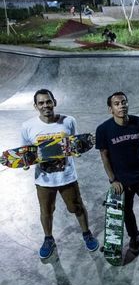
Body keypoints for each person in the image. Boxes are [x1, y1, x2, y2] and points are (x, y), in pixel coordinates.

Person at [20, 89, 98, 259]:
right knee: (46, 211)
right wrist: (25, 162)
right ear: (35, 106)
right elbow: (26, 153)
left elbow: (75, 144)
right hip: (44, 179)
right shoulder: (27, 126)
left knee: (76, 207)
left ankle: (86, 233)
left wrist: (77, 150)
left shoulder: (69, 121)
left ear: (54, 102)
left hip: (67, 176)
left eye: (48, 101)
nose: (45, 105)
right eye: (41, 103)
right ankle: (48, 239)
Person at [95, 92, 139, 254]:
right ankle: (134, 236)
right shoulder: (103, 129)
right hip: (122, 179)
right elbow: (104, 156)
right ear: (110, 109)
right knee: (127, 211)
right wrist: (113, 179)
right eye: (117, 104)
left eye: (124, 102)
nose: (121, 105)